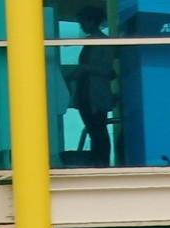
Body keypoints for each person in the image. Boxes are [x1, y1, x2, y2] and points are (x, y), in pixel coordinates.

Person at [69, 6, 116, 168]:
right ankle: (98, 161)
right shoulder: (90, 42)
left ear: (91, 21)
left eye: (83, 22)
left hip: (95, 94)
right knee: (94, 129)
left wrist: (85, 69)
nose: (81, 26)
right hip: (86, 94)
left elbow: (108, 71)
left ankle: (102, 162)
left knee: (98, 130)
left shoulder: (103, 43)